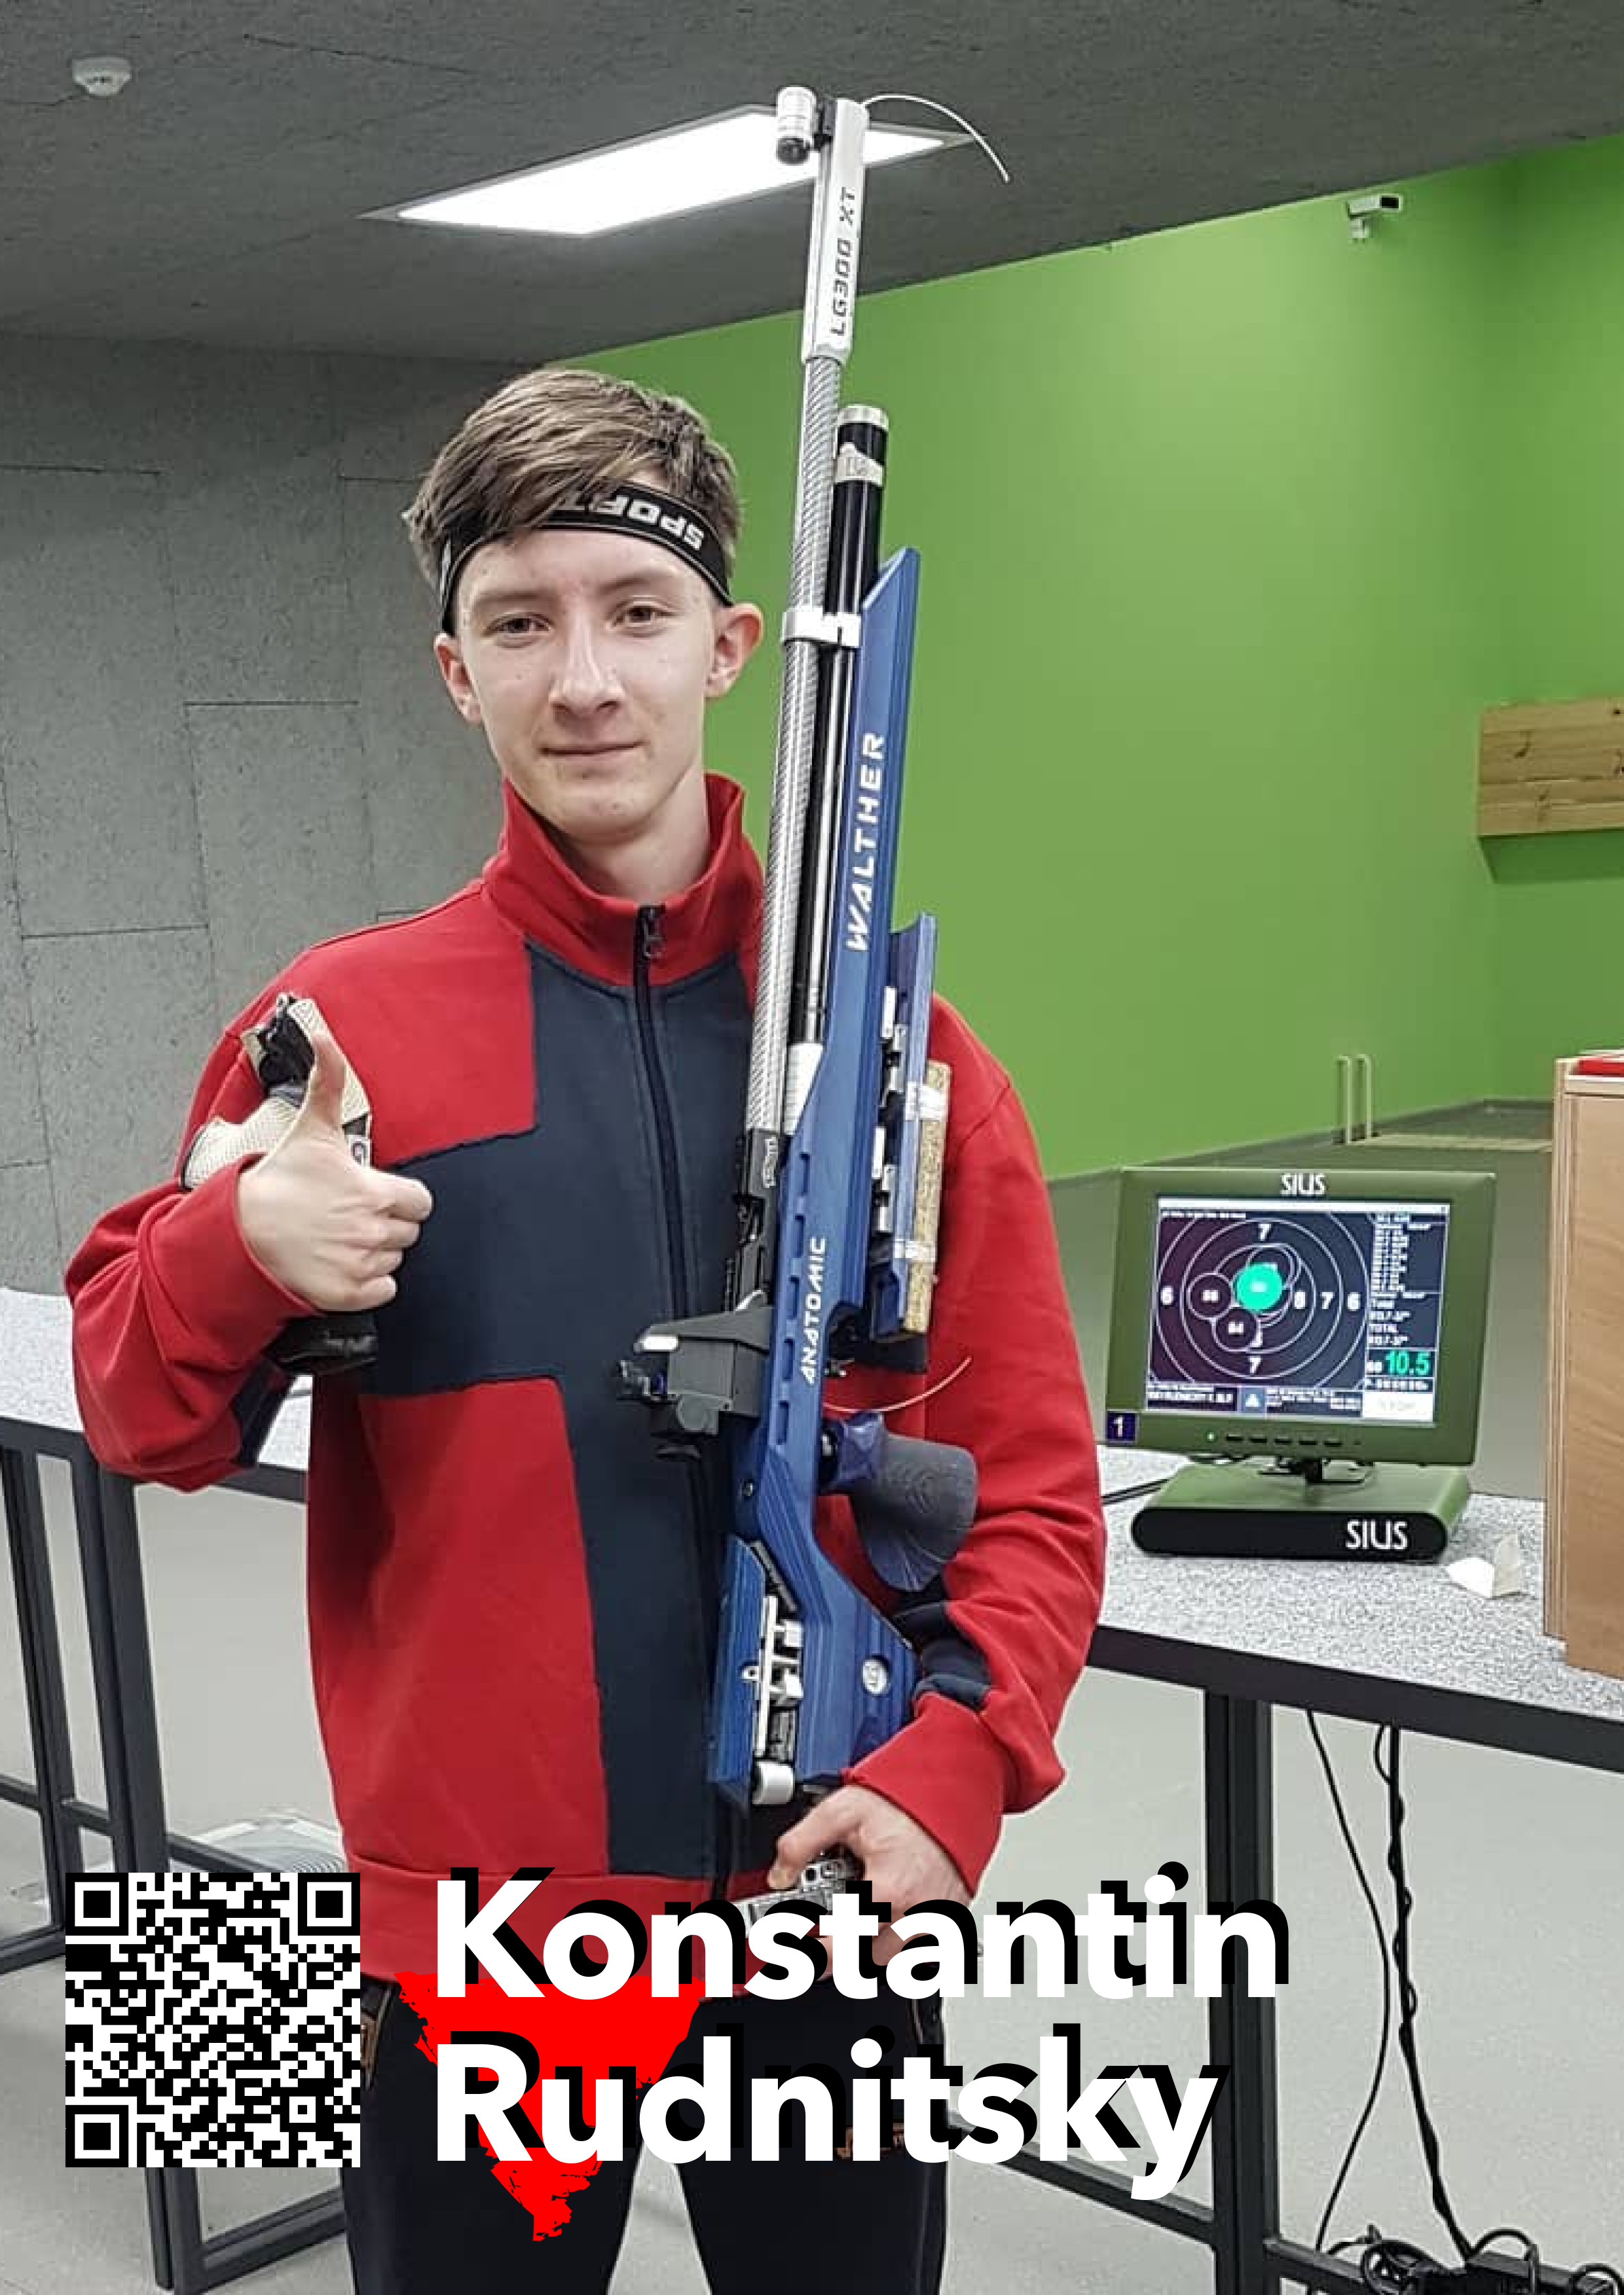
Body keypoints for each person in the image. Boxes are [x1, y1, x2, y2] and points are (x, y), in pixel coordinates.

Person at [66, 365, 1106, 2294]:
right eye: (520, 624)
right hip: (472, 1938)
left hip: (823, 1895)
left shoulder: (905, 1064)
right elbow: (139, 1416)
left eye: (635, 614)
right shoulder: (339, 1033)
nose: (586, 680)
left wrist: (955, 1766)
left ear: (728, 646)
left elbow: (1034, 1491)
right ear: (454, 674)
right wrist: (236, 1244)